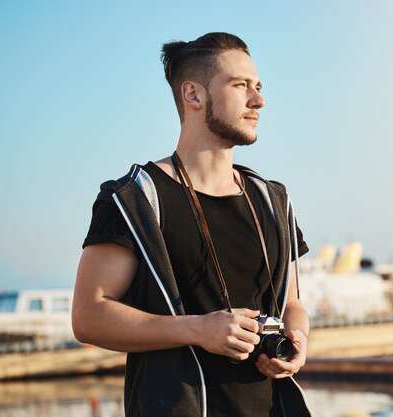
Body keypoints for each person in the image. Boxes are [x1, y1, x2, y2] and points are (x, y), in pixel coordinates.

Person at [72, 32, 312, 417]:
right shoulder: (133, 200)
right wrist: (196, 329)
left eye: (259, 87)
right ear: (194, 95)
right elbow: (88, 317)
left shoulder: (273, 201)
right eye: (240, 86)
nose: (258, 100)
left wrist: (297, 340)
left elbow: (294, 303)